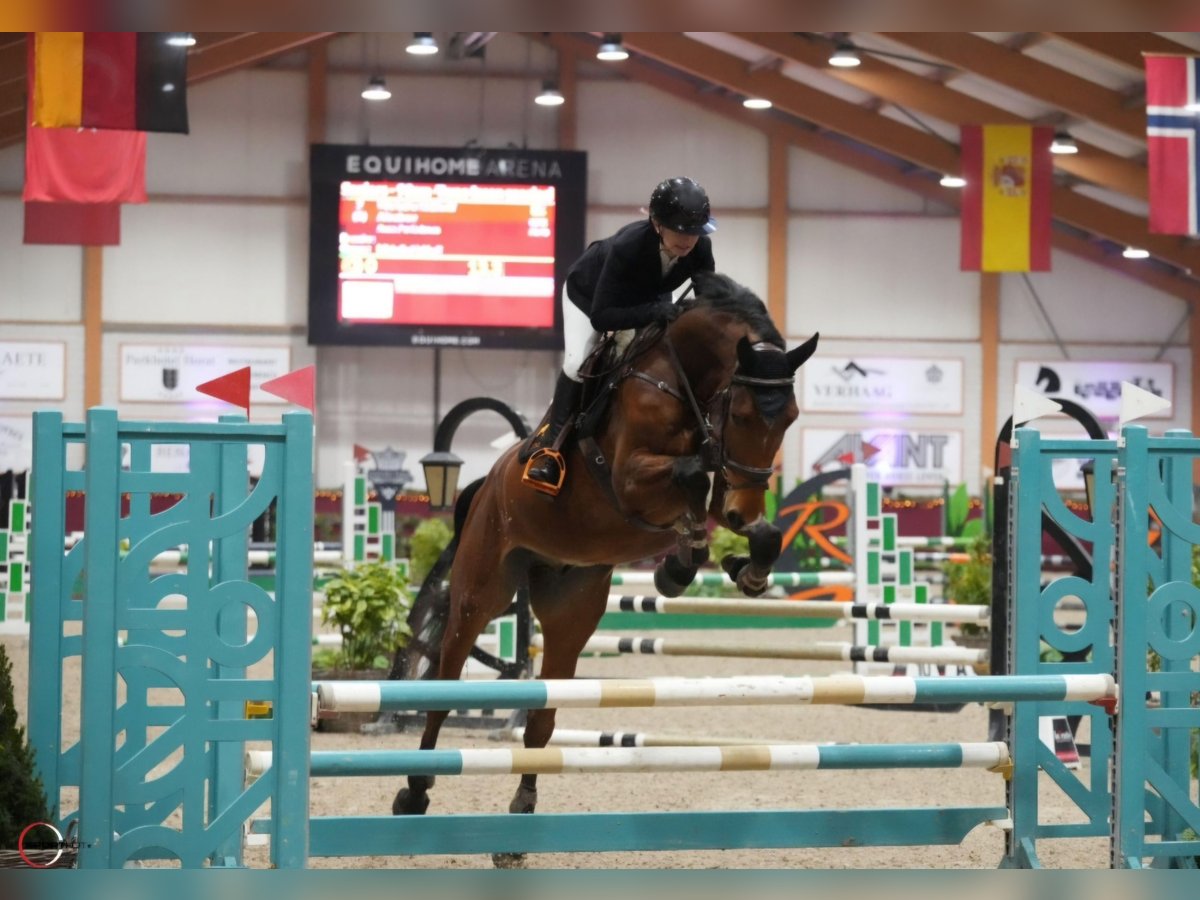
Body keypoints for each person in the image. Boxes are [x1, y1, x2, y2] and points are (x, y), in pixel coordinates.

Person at [523, 175, 717, 493]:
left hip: (647, 296)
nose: (688, 240)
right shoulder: (629, 246)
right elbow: (603, 317)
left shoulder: (699, 247)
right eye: (680, 230)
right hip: (589, 297)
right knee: (577, 362)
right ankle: (550, 448)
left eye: (694, 232)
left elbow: (708, 298)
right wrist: (656, 313)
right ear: (656, 224)